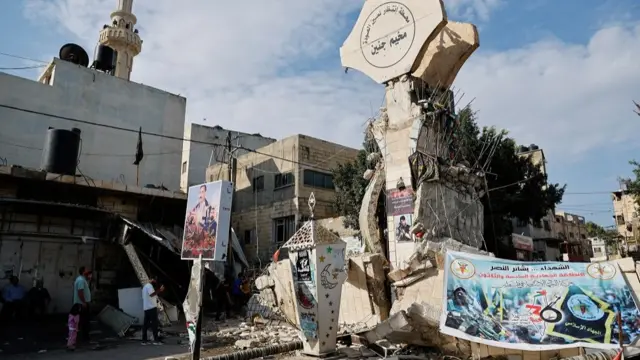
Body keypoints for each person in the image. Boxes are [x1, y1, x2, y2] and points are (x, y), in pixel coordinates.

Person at [141, 276, 164, 345]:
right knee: (154, 324)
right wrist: (160, 290)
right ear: (151, 279)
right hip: (151, 308)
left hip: (146, 308)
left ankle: (144, 340)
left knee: (146, 324)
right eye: (154, 280)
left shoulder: (144, 287)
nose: (155, 282)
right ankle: (156, 340)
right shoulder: (149, 286)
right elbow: (152, 294)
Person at [73, 267, 92, 343]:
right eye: (87, 271)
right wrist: (84, 302)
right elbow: (80, 292)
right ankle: (84, 338)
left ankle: (83, 337)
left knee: (83, 320)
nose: (89, 273)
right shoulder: (81, 280)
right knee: (84, 321)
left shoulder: (82, 279)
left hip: (81, 303)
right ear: (84, 272)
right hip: (82, 304)